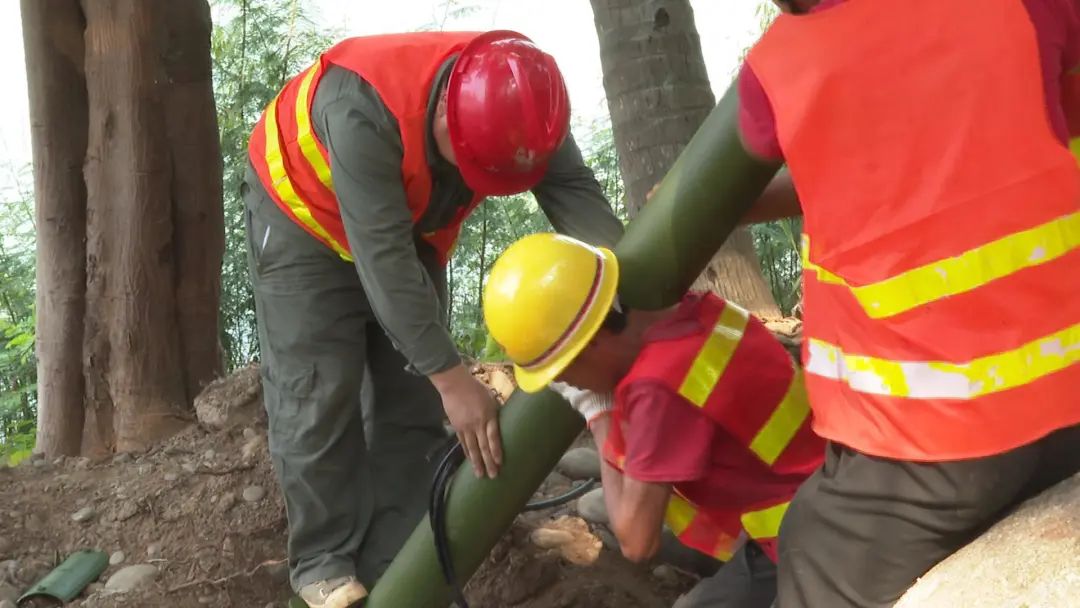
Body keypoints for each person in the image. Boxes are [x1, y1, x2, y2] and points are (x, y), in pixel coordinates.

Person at [243, 31, 623, 607]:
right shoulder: (362, 108)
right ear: (448, 113)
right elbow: (383, 259)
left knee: (411, 402)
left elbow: (574, 192)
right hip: (304, 217)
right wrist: (451, 377)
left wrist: (629, 292)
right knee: (318, 392)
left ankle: (395, 561)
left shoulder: (528, 105)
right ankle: (324, 560)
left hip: (412, 219)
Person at [722, 0, 1080, 605]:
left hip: (935, 436)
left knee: (811, 544)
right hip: (1067, 378)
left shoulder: (776, 72)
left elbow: (796, 147)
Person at [482, 233, 825, 607]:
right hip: (814, 481)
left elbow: (636, 543)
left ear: (588, 344)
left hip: (801, 534)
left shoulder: (658, 387)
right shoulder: (698, 309)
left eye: (562, 372)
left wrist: (597, 412)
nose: (565, 383)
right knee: (600, 509)